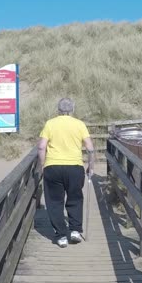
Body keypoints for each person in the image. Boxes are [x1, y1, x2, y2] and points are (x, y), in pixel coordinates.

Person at [37, 97, 94, 248]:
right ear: (72, 109)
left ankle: (61, 236)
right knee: (75, 197)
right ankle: (75, 230)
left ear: (58, 110)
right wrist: (91, 165)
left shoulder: (50, 124)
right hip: (74, 167)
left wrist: (42, 165)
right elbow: (89, 147)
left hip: (53, 166)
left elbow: (42, 147)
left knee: (55, 201)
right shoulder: (79, 124)